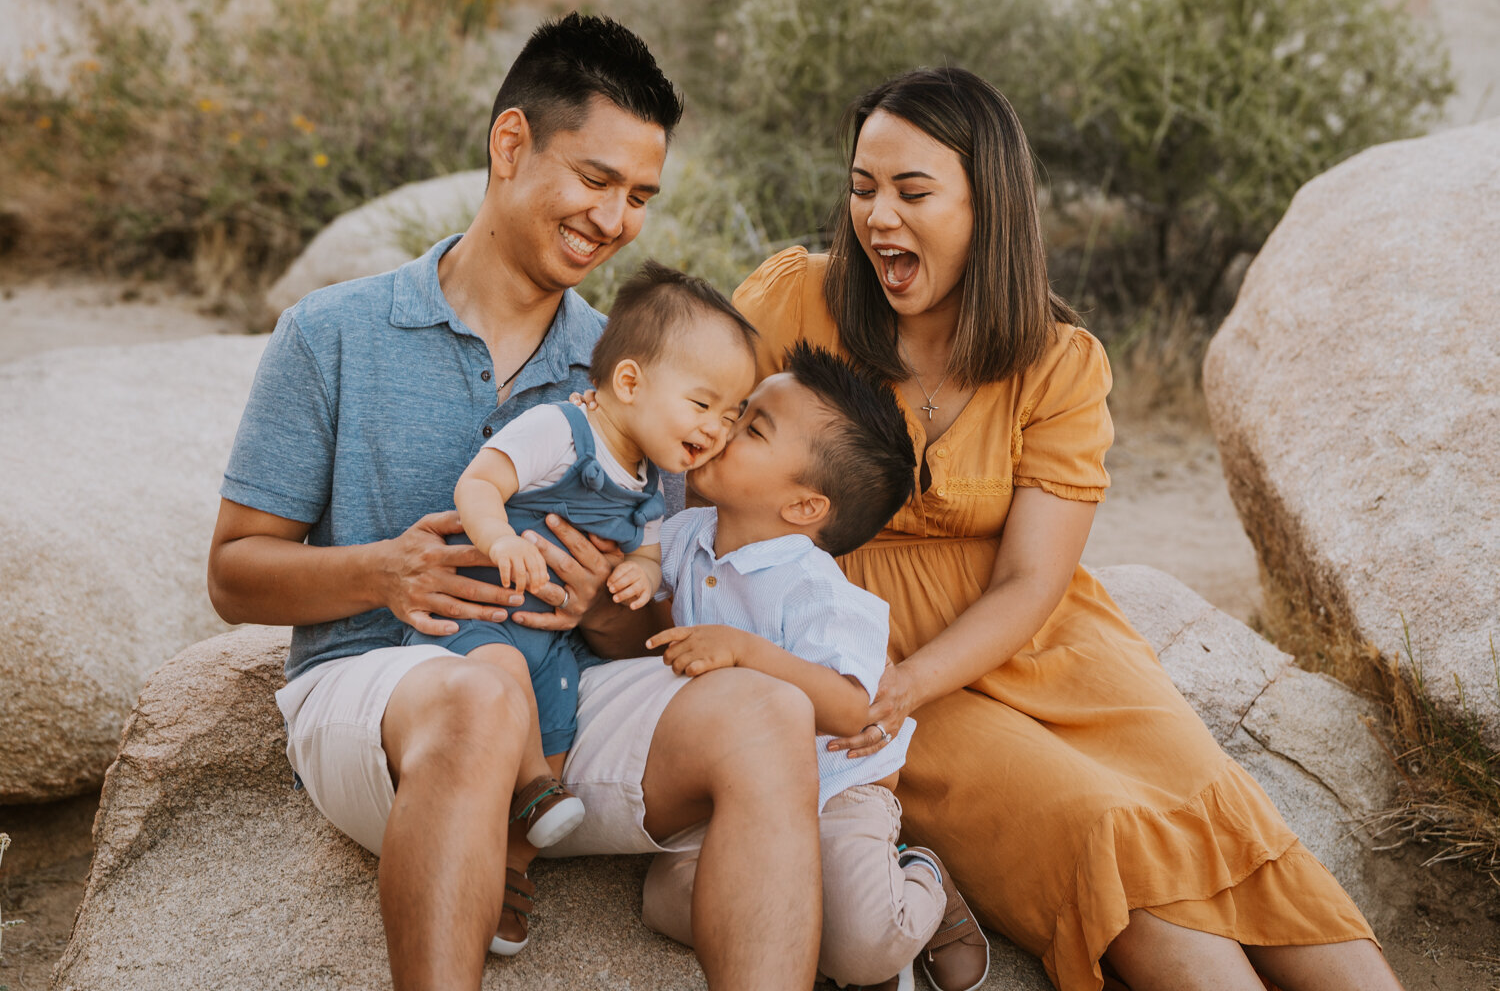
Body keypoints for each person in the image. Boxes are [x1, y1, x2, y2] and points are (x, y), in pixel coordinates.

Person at [732, 67, 1406, 991]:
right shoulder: (792, 302)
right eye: (862, 188)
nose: (877, 216)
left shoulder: (1057, 361)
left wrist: (915, 677)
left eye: (912, 191)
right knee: (1096, 824)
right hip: (869, 663)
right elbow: (687, 438)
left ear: (988, 204)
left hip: (1039, 642)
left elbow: (1031, 581)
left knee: (1217, 812)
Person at [207, 13, 821, 991]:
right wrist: (383, 569)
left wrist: (608, 612)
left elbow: (656, 605)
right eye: (595, 178)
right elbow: (235, 574)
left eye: (639, 196)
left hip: (568, 716)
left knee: (770, 713)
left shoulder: (638, 369)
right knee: (478, 694)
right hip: (379, 703)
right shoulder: (332, 332)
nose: (615, 219)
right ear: (510, 145)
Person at [610, 342, 990, 991]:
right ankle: (800, 927)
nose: (723, 428)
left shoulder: (819, 591)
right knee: (666, 899)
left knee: (870, 947)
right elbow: (637, 594)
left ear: (805, 507)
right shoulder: (686, 537)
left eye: (752, 428)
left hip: (838, 788)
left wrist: (745, 650)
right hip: (745, 790)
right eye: (737, 411)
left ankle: (922, 877)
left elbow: (852, 710)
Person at [400, 263, 758, 943]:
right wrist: (501, 538)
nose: (718, 429)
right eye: (703, 404)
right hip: (483, 621)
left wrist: (640, 573)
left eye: (734, 414)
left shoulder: (652, 479)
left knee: (560, 719)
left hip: (558, 645)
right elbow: (479, 484)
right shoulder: (559, 429)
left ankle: (516, 857)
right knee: (497, 680)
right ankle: (534, 786)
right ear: (629, 382)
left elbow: (647, 550)